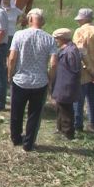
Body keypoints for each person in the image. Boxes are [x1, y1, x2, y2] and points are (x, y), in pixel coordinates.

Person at [7, 9, 57, 152]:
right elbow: (54, 63)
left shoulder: (19, 35)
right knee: (34, 114)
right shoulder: (50, 39)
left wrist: (10, 75)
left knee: (16, 111)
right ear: (43, 22)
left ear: (29, 20)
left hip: (20, 79)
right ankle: (28, 144)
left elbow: (12, 58)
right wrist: (49, 78)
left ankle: (16, 138)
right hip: (40, 81)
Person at [51, 28, 82, 140]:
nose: (55, 41)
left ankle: (68, 133)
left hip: (67, 85)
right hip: (61, 83)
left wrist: (69, 84)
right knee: (60, 107)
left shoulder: (70, 51)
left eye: (56, 39)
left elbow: (74, 70)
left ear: (62, 39)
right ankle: (60, 129)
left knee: (66, 109)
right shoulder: (66, 50)